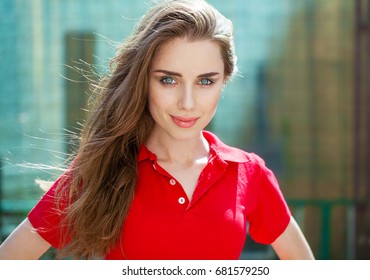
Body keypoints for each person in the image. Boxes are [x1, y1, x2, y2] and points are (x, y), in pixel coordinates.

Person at [0, 0, 314, 260]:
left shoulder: (250, 173)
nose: (188, 103)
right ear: (143, 81)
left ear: (224, 81)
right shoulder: (102, 168)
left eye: (206, 81)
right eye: (168, 79)